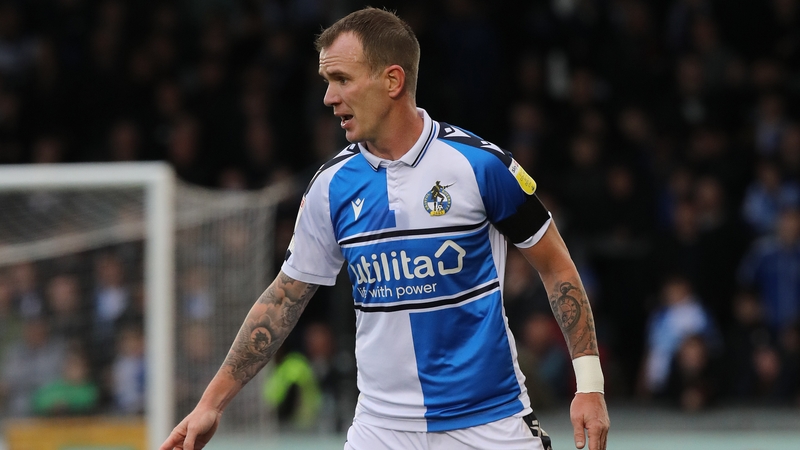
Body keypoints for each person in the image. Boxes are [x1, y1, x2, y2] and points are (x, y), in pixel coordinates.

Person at [161, 7, 609, 450]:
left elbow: (558, 270)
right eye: (326, 83)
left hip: (490, 424)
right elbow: (282, 300)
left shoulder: (481, 166)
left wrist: (589, 385)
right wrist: (211, 405)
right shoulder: (329, 187)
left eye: (342, 80)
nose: (328, 98)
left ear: (392, 81)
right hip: (380, 429)